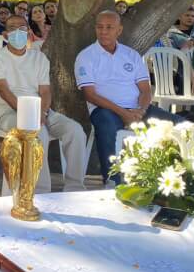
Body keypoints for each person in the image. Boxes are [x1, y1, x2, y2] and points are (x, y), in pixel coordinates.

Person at [75, 10, 181, 185]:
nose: (103, 31)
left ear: (119, 30)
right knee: (107, 127)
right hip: (105, 109)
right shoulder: (86, 56)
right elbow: (90, 94)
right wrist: (123, 113)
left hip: (137, 109)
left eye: (109, 27)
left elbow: (146, 90)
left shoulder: (131, 55)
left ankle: (172, 180)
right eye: (100, 27)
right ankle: (112, 183)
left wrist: (140, 111)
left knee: (179, 126)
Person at [0, 15, 86, 192]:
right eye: (13, 28)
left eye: (22, 28)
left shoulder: (39, 58)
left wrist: (43, 112)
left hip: (42, 110)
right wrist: (30, 115)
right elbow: (4, 92)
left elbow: (45, 91)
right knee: (40, 134)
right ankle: (40, 191)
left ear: (29, 33)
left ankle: (75, 187)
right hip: (9, 113)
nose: (18, 32)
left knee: (75, 130)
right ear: (5, 35)